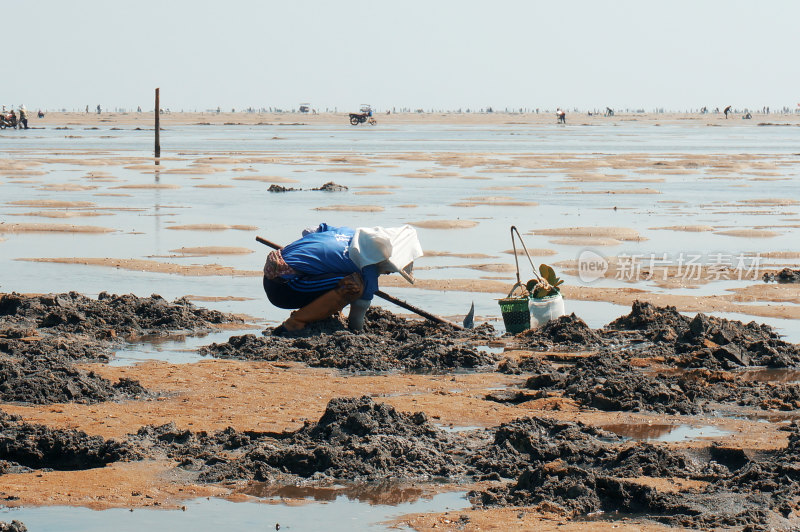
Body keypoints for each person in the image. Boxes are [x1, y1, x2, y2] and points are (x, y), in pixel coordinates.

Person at [263, 223, 423, 334]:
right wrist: (357, 332)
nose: (388, 273)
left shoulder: (348, 233)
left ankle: (328, 311)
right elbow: (357, 315)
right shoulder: (368, 270)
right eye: (390, 271)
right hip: (284, 289)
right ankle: (294, 324)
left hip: (273, 271)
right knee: (353, 286)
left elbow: (310, 231)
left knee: (338, 272)